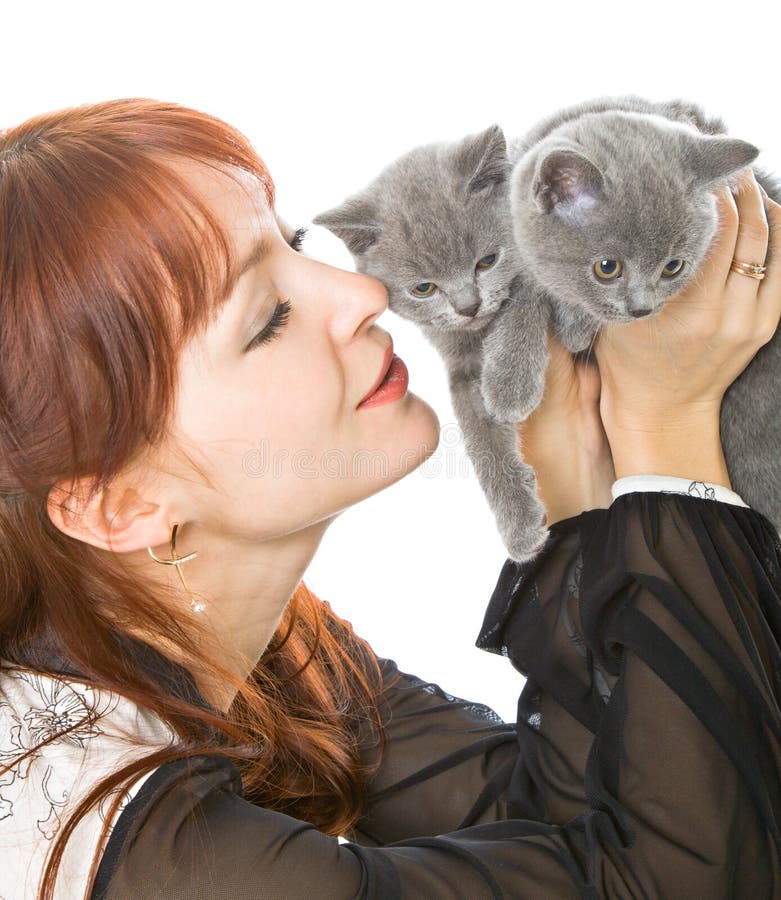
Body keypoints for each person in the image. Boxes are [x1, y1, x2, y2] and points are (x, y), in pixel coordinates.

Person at [0, 98, 779, 900]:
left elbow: (559, 827)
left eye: (294, 241)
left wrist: (580, 496)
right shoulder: (126, 850)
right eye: (267, 319)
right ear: (117, 505)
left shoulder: (241, 654)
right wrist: (666, 435)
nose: (360, 292)